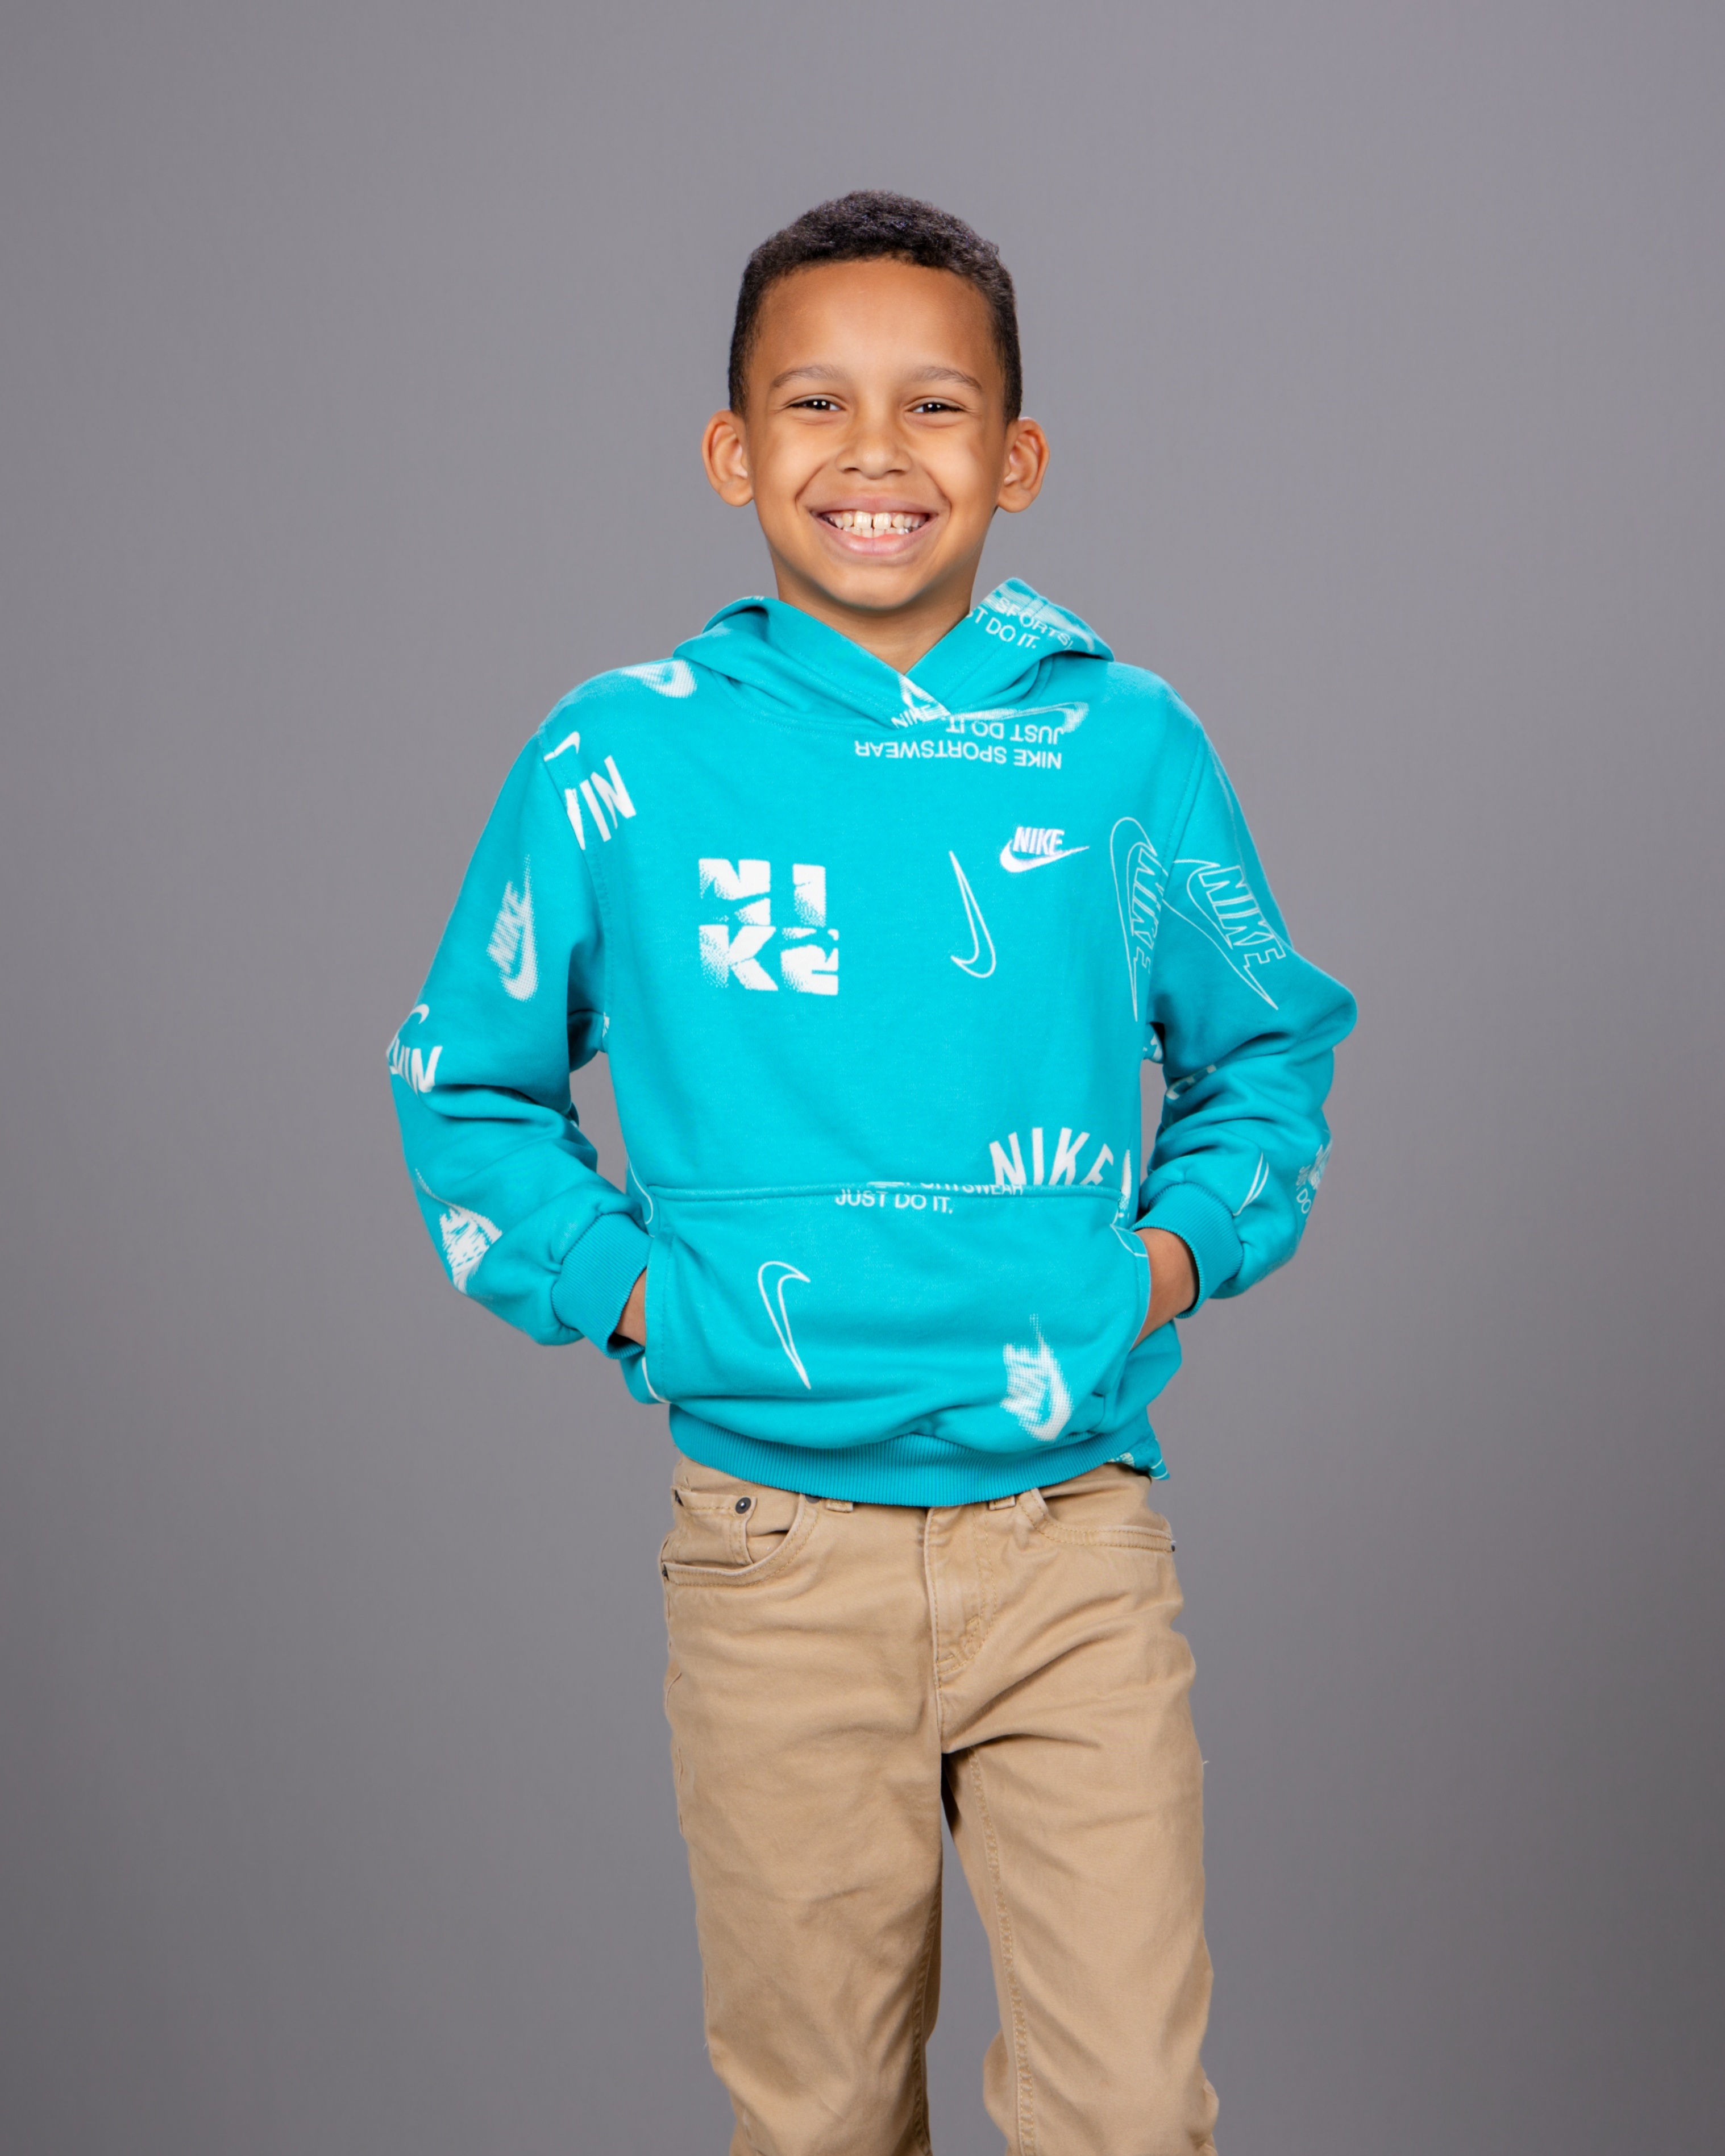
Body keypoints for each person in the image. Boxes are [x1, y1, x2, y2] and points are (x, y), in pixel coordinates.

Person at [388, 189, 1356, 2156]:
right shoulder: (620, 755)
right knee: (821, 2116)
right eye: (815, 402)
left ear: (1017, 456)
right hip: (772, 1551)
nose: (875, 453)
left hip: (1069, 1531)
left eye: (935, 405)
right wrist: (645, 1294)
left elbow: (1266, 1048)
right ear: (733, 449)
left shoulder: (1124, 744)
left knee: (1129, 2112)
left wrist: (1159, 1266)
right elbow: (463, 1087)